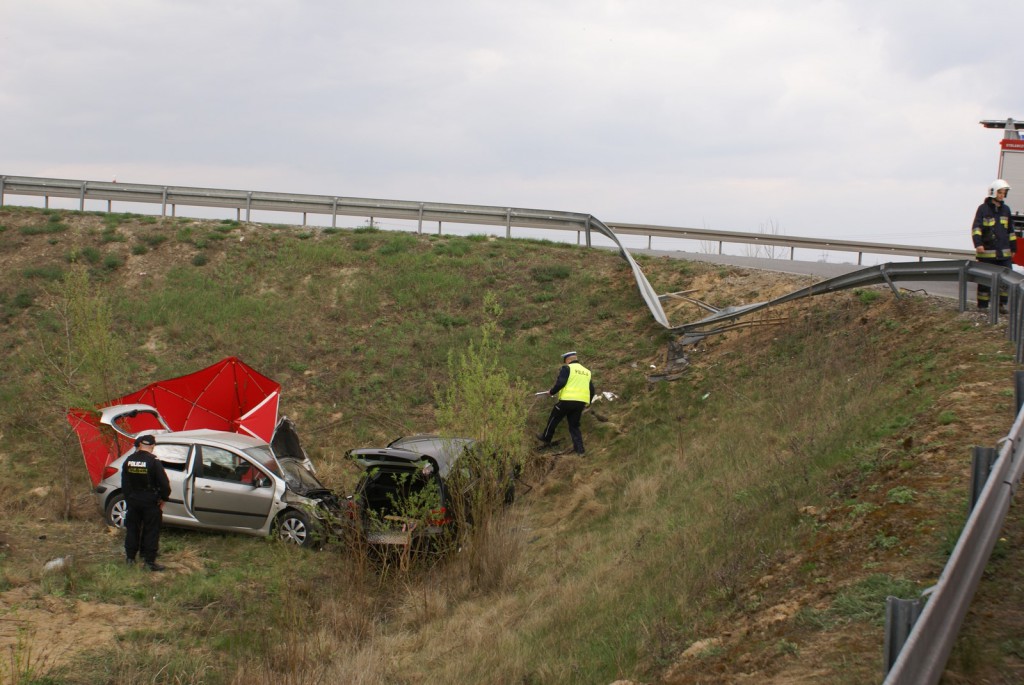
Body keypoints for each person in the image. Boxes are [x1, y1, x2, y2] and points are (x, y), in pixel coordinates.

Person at [121, 434, 171, 571]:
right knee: (151, 531)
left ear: (139, 446)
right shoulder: (154, 461)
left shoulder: (129, 460)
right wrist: (164, 498)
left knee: (132, 529)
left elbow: (124, 483)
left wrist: (129, 498)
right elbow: (164, 484)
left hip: (133, 500)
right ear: (152, 446)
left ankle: (130, 558)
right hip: (150, 501)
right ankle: (149, 562)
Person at [537, 351, 595, 456]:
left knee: (554, 417)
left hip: (567, 401)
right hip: (580, 403)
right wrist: (588, 402)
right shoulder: (587, 372)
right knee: (574, 426)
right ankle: (580, 451)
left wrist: (552, 392)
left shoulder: (567, 368)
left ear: (568, 360)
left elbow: (561, 382)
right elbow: (592, 390)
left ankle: (546, 437)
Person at [972, 179, 1016, 311]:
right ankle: (983, 306)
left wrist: (1013, 247)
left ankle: (1001, 305)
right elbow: (976, 228)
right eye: (1000, 192)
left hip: (1004, 254)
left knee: (1005, 281)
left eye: (1004, 193)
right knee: (985, 281)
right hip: (987, 254)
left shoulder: (1006, 210)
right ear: (993, 193)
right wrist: (978, 244)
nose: (1002, 195)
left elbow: (1011, 231)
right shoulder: (983, 209)